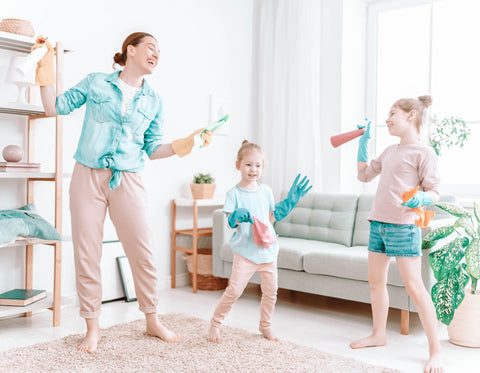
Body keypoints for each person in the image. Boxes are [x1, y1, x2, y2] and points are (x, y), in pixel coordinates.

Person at [36, 32, 212, 353]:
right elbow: (54, 108)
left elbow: (153, 148)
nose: (156, 53)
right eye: (150, 47)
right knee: (87, 252)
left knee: (142, 250)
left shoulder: (154, 100)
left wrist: (187, 144)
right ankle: (92, 328)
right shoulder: (96, 83)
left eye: (159, 50)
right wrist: (45, 67)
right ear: (130, 51)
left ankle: (152, 320)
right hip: (86, 175)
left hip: (128, 178)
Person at [350, 96, 444, 373]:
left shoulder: (424, 153)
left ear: (411, 115)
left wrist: (422, 200)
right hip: (377, 223)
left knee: (414, 287)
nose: (387, 119)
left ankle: (436, 350)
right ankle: (379, 335)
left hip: (403, 227)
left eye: (392, 114)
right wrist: (362, 145)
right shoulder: (390, 151)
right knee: (375, 282)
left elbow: (434, 191)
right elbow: (364, 176)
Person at [208, 140, 312, 343]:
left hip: (267, 251)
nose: (253, 169)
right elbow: (229, 223)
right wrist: (236, 215)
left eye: (258, 165)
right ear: (237, 165)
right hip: (245, 253)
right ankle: (215, 324)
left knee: (270, 292)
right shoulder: (234, 194)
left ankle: (265, 326)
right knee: (234, 290)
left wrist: (290, 202)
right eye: (248, 164)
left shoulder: (266, 191)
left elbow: (270, 217)